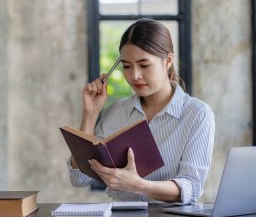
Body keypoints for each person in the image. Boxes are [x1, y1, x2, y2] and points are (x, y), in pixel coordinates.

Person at [67, 18, 215, 204]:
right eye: (127, 66)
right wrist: (90, 114)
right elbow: (79, 178)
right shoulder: (116, 113)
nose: (135, 75)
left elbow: (192, 187)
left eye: (144, 65)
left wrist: (138, 185)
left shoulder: (197, 114)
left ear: (168, 61)